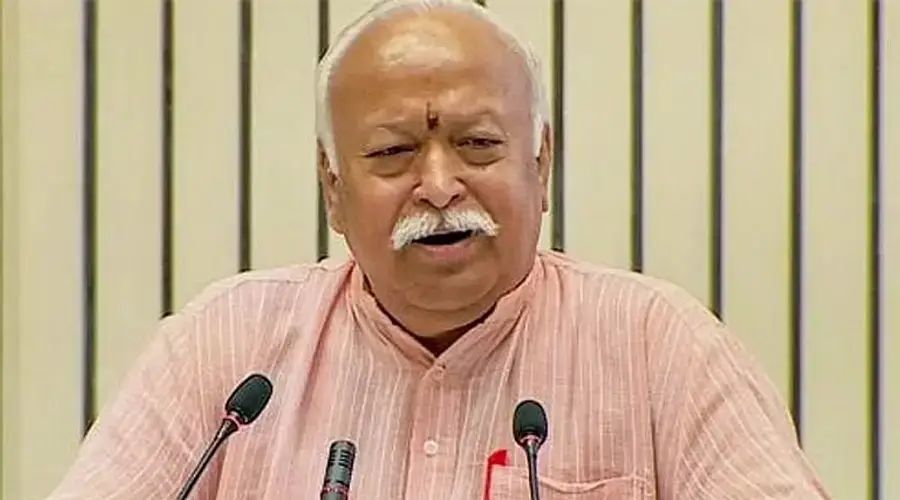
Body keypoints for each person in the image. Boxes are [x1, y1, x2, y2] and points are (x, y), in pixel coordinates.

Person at [49, 0, 830, 498]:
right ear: (332, 189)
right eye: (393, 153)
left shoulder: (661, 349)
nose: (439, 185)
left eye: (478, 144)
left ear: (542, 166)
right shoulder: (227, 352)